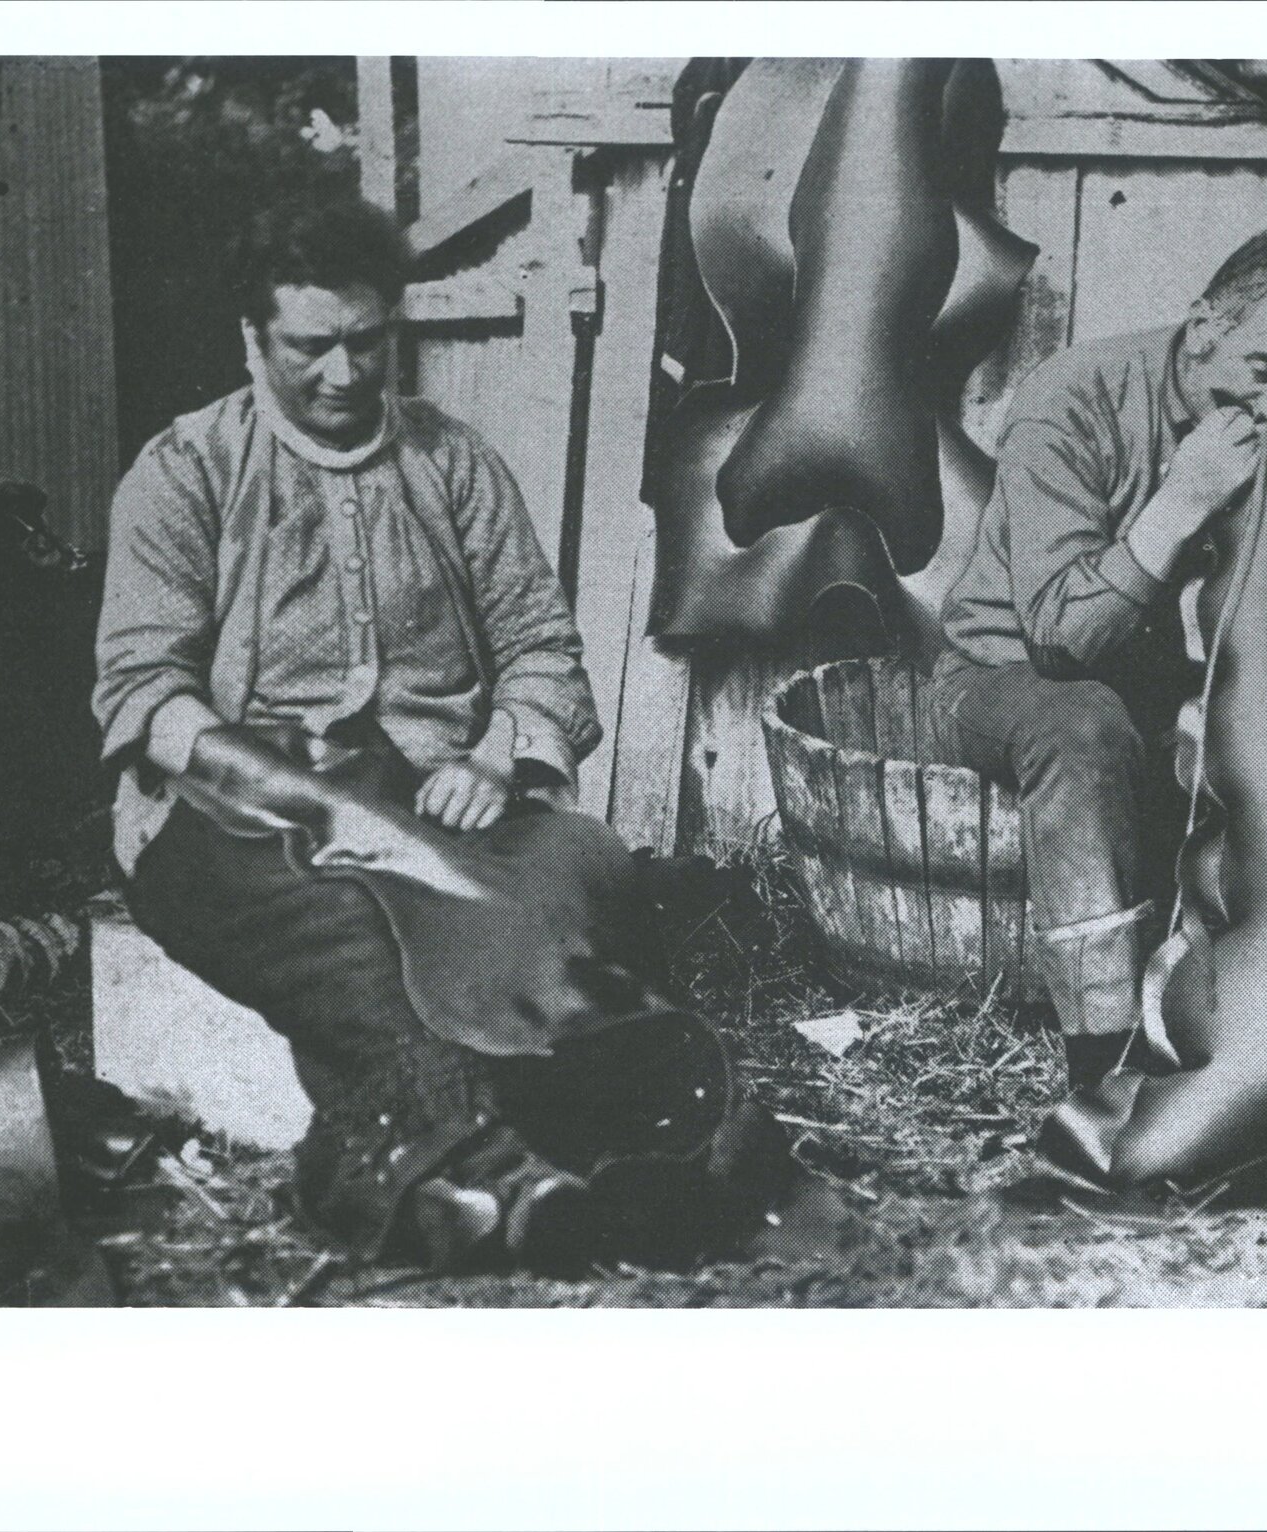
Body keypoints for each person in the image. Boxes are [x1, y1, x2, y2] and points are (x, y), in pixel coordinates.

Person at [93, 197, 792, 1272]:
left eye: (365, 341)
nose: (342, 373)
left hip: (439, 797)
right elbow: (145, 691)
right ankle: (485, 1176)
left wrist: (497, 754)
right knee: (354, 934)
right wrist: (310, 802)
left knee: (581, 869)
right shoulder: (185, 470)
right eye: (309, 346)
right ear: (251, 339)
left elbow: (540, 648)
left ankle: (642, 1134)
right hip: (233, 814)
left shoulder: (453, 464)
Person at [931, 230, 1267, 1085]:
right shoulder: (1075, 395)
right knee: (1084, 724)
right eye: (1263, 370)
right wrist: (1182, 501)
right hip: (1009, 676)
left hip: (1182, 693)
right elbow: (1059, 640)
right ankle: (1103, 1059)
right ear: (1204, 324)